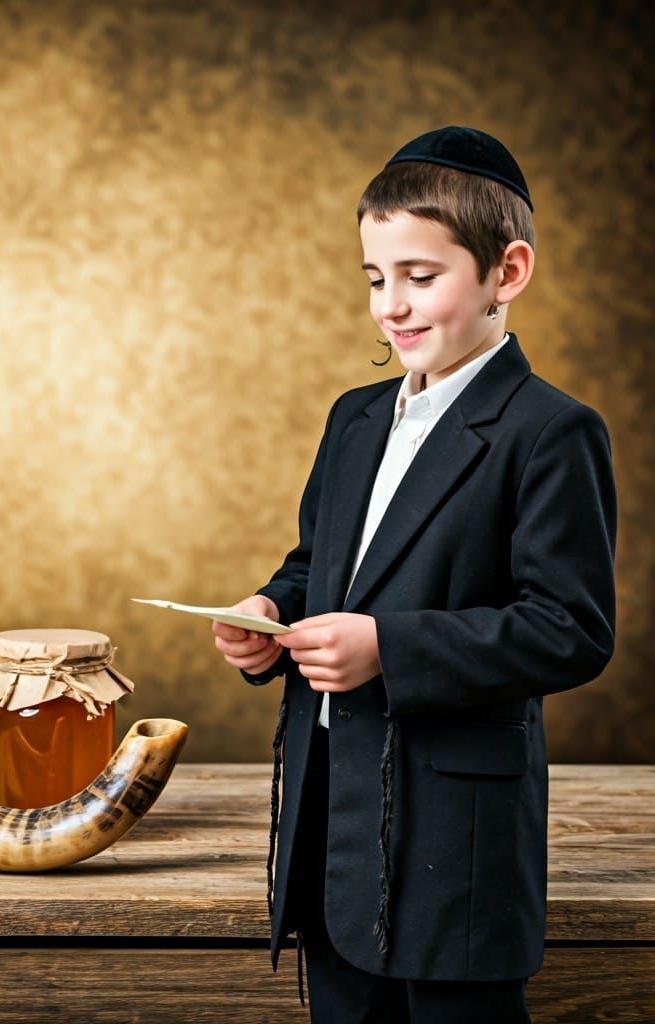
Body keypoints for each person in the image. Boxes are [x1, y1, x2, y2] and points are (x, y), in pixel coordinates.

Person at [212, 125, 617, 1023]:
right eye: (374, 278)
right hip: (333, 830)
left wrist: (389, 647)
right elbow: (322, 565)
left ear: (506, 273)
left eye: (420, 277)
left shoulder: (550, 432)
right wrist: (269, 615)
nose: (390, 306)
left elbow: (572, 628)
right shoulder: (355, 418)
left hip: (456, 855)